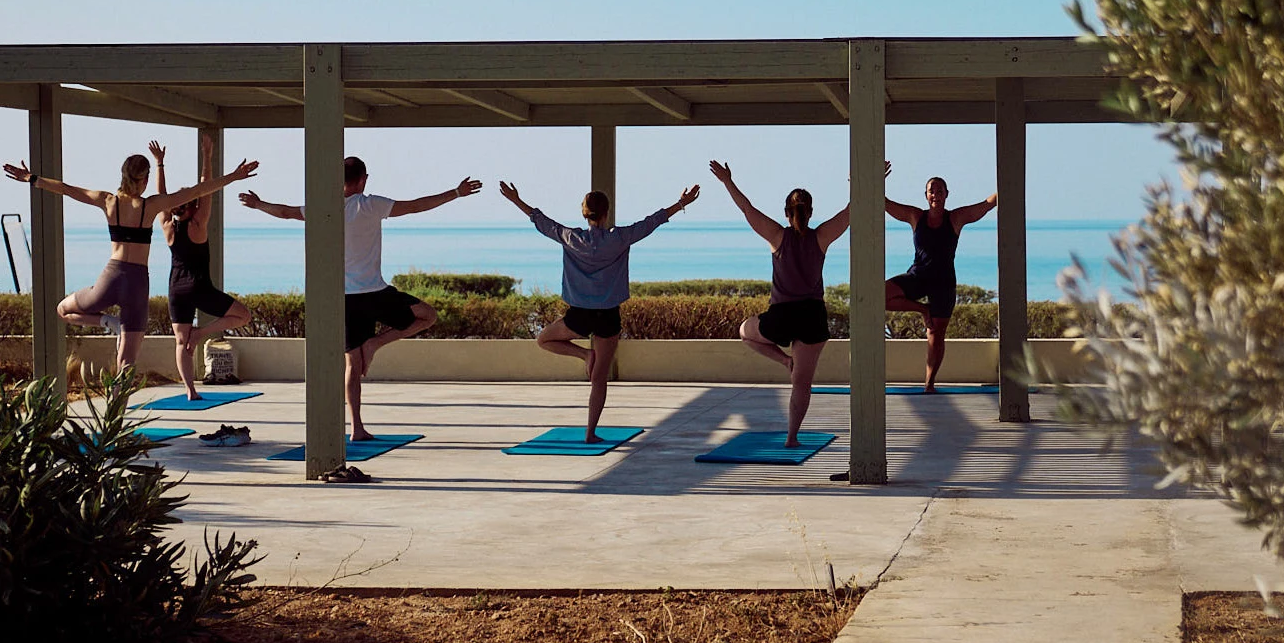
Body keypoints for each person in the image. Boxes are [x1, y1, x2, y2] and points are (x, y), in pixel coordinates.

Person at [239, 157, 481, 444]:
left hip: (344, 298)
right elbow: (416, 205)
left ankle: (357, 427)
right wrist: (455, 193)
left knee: (352, 364)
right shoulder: (371, 205)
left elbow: (286, 212)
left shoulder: (325, 207)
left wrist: (258, 204)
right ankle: (375, 346)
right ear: (363, 179)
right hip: (375, 293)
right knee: (427, 316)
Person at [2, 142, 260, 373]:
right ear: (144, 179)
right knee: (127, 363)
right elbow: (200, 190)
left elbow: (69, 190)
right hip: (137, 282)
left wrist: (33, 178)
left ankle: (108, 322)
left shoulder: (108, 201)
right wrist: (234, 176)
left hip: (111, 276)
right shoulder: (151, 205)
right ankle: (118, 420)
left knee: (63, 310)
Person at [497, 178, 699, 443]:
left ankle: (584, 354)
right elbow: (652, 222)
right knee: (599, 378)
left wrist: (515, 200)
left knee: (543, 339)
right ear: (606, 213)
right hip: (608, 314)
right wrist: (681, 203)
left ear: (585, 213)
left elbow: (541, 221)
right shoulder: (620, 238)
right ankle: (590, 433)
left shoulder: (571, 237)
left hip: (579, 314)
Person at [708, 161, 849, 445]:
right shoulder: (821, 237)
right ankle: (791, 437)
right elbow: (851, 211)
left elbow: (747, 209)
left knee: (745, 331)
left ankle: (785, 360)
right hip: (812, 317)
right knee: (802, 383)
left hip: (782, 317)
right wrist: (870, 179)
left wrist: (727, 181)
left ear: (787, 213)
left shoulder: (777, 235)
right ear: (810, 213)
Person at [151, 136, 252, 401]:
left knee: (180, 342)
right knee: (243, 316)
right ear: (193, 206)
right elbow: (206, 188)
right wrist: (207, 156)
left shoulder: (167, 226)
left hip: (176, 287)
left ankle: (190, 390)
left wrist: (160, 164)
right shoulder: (198, 225)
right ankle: (202, 333)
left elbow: (162, 198)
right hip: (199, 287)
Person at [883, 165, 997, 392]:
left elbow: (987, 205)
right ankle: (922, 310)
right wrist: (877, 179)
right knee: (881, 294)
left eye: (940, 190)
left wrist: (1007, 177)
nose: (935, 194)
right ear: (926, 196)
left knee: (935, 335)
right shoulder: (916, 217)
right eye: (931, 191)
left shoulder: (955, 218)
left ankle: (929, 383)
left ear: (947, 194)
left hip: (943, 282)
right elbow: (884, 203)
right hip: (919, 275)